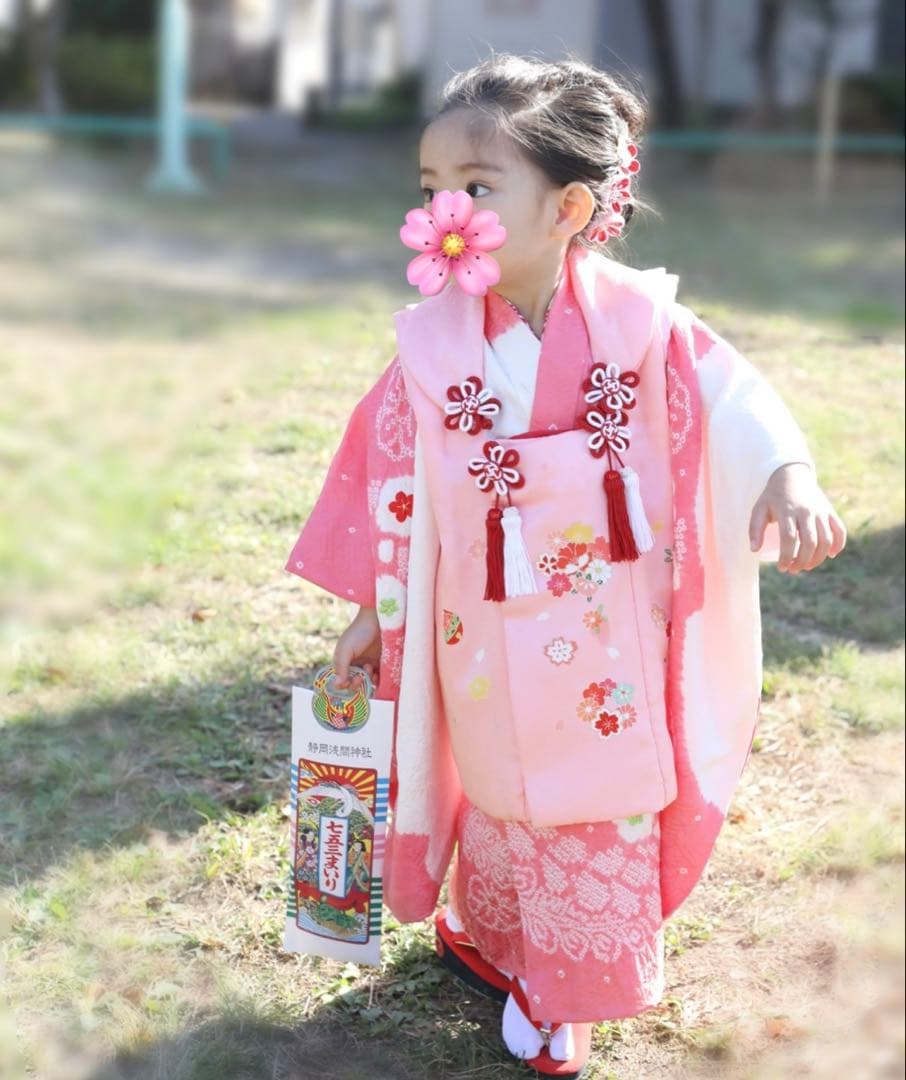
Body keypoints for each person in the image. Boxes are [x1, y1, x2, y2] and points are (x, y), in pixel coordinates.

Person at [283, 54, 846, 1079]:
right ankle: (490, 938)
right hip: (481, 631)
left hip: (606, 642)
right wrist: (374, 607)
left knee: (597, 793)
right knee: (500, 790)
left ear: (570, 206)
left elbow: (736, 404)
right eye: (429, 190)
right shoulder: (432, 347)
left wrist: (789, 480)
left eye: (477, 188)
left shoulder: (645, 327)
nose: (443, 211)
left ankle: (561, 996)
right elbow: (388, 476)